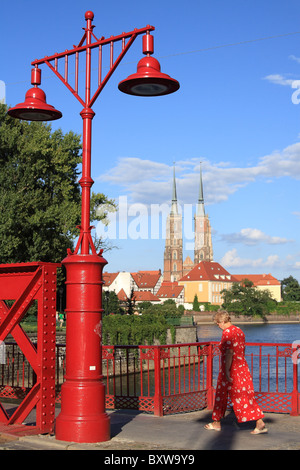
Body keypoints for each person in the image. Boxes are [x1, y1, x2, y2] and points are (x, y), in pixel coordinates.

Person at [204, 310, 268, 434]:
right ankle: (259, 422)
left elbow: (229, 353)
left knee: (223, 396)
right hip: (242, 367)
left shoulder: (227, 333)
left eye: (218, 323)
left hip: (231, 369)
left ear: (222, 321)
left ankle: (217, 422)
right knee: (245, 395)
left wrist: (227, 372)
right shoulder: (239, 330)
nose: (218, 326)